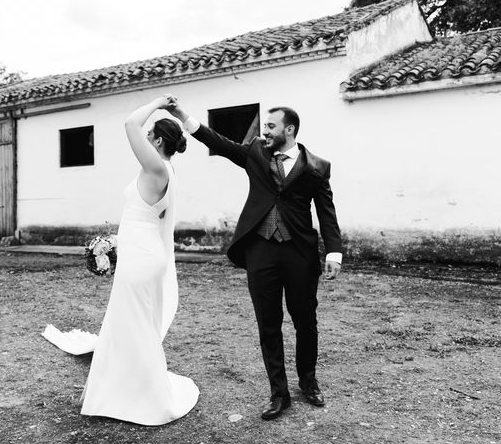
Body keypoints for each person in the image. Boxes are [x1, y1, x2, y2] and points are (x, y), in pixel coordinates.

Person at [167, 98, 342, 420]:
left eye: (271, 126)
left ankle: (308, 381)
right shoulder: (255, 154)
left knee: (306, 322)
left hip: (300, 253)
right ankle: (279, 393)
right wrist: (180, 115)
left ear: (289, 130)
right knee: (268, 324)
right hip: (260, 251)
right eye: (264, 126)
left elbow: (326, 213)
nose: (265, 131)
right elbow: (216, 141)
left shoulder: (318, 167)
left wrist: (333, 252)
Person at [79, 96, 199, 426]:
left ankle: (148, 399)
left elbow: (130, 124)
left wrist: (160, 103)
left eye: (150, 136)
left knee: (134, 327)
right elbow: (142, 219)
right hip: (140, 253)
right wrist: (115, 244)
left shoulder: (157, 167)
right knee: (127, 325)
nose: (143, 138)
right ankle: (117, 391)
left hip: (143, 259)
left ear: (158, 140)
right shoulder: (162, 170)